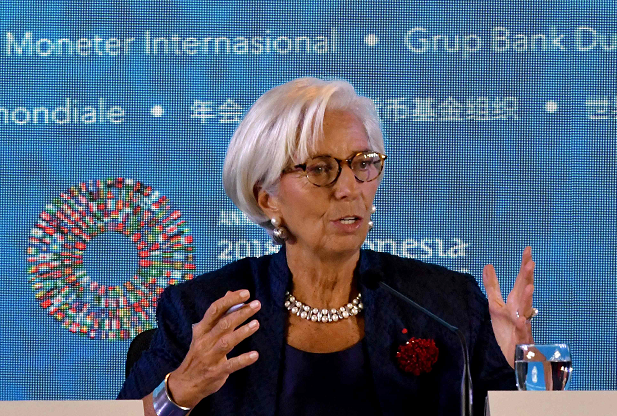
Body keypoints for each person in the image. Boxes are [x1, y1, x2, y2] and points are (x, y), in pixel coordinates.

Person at [118, 77, 537, 416]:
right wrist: (180, 390)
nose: (349, 189)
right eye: (320, 169)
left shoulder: (441, 306)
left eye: (362, 164)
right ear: (268, 198)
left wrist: (519, 376)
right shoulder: (204, 309)